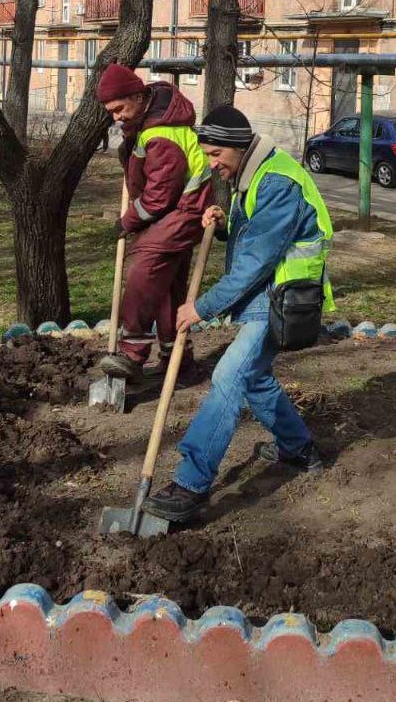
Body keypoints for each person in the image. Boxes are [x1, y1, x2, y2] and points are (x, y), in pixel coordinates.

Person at [144, 105, 335, 522]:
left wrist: (202, 307)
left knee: (230, 376)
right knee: (255, 376)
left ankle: (191, 483)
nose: (212, 165)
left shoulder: (277, 182)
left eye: (215, 155)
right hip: (266, 291)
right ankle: (298, 448)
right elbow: (258, 233)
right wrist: (227, 223)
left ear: (236, 146)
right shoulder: (255, 172)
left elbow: (257, 262)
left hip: (281, 295)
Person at [95, 63, 213, 379]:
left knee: (141, 274)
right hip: (179, 211)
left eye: (119, 108)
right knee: (166, 289)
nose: (116, 117)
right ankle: (178, 357)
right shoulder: (152, 122)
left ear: (137, 95)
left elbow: (160, 195)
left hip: (182, 211)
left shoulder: (161, 133)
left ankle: (132, 354)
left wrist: (128, 221)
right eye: (111, 112)